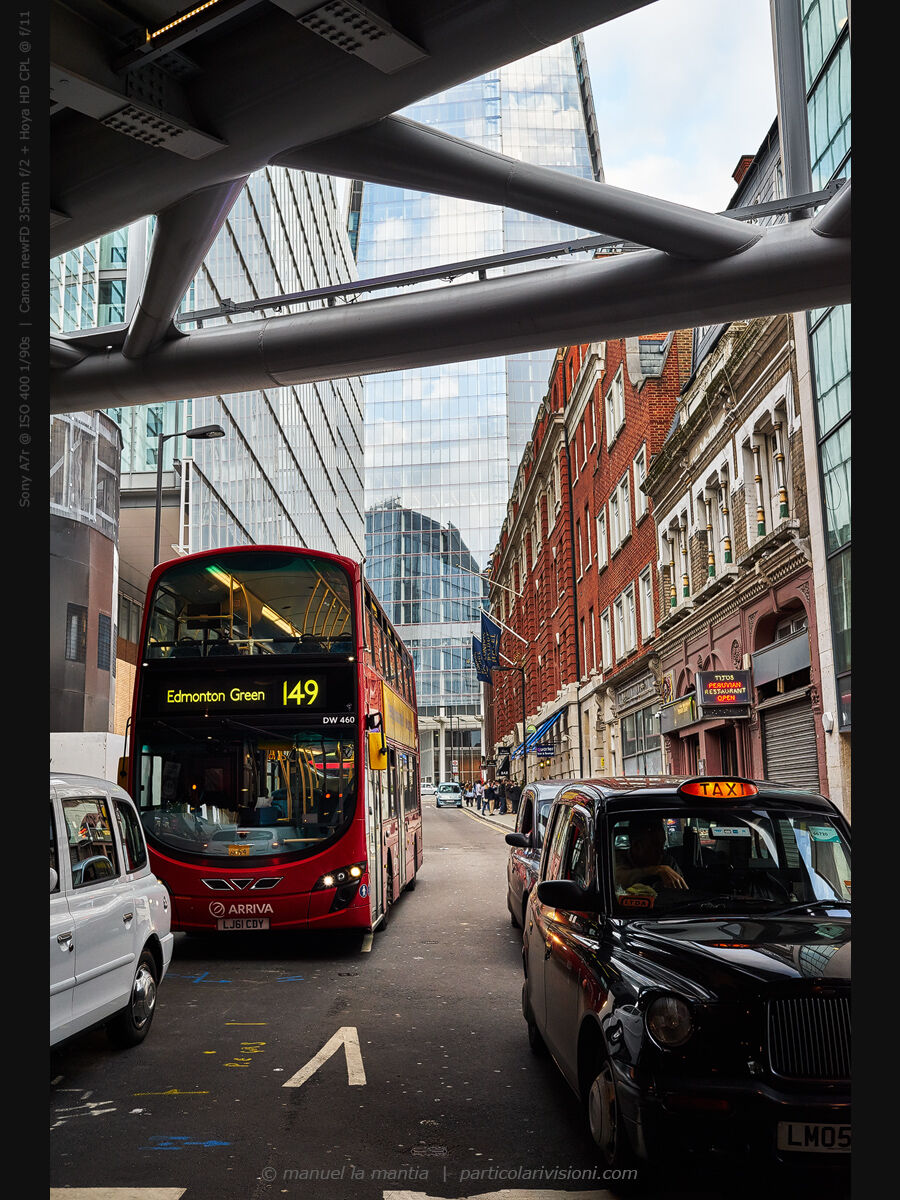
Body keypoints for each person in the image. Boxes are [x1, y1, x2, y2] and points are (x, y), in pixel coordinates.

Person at [615, 815, 687, 890]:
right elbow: (618, 878)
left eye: (662, 845)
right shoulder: (618, 859)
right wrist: (656, 870)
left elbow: (682, 891)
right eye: (656, 846)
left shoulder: (668, 862)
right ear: (637, 845)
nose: (661, 852)